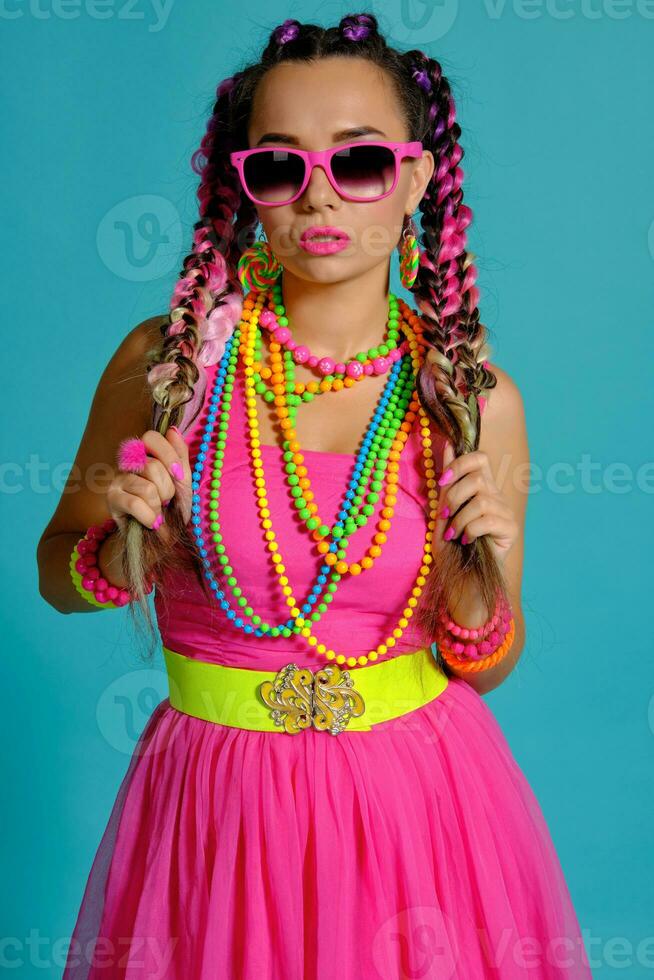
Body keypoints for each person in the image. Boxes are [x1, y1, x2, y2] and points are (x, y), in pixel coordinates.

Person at [37, 12, 592, 979]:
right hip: (216, 801)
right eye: (280, 167)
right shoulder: (171, 366)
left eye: (361, 161)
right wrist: (122, 542)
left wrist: (481, 579)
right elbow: (57, 575)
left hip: (420, 802)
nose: (319, 197)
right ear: (246, 187)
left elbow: (491, 663)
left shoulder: (471, 402)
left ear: (417, 178)